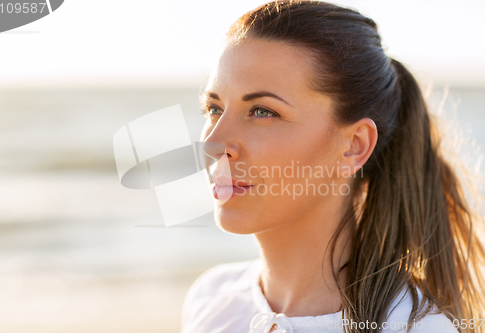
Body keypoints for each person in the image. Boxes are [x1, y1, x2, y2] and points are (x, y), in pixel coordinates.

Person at [181, 1, 485, 332]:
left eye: (262, 111)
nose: (214, 143)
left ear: (354, 146)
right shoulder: (210, 301)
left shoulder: (414, 328)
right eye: (213, 108)